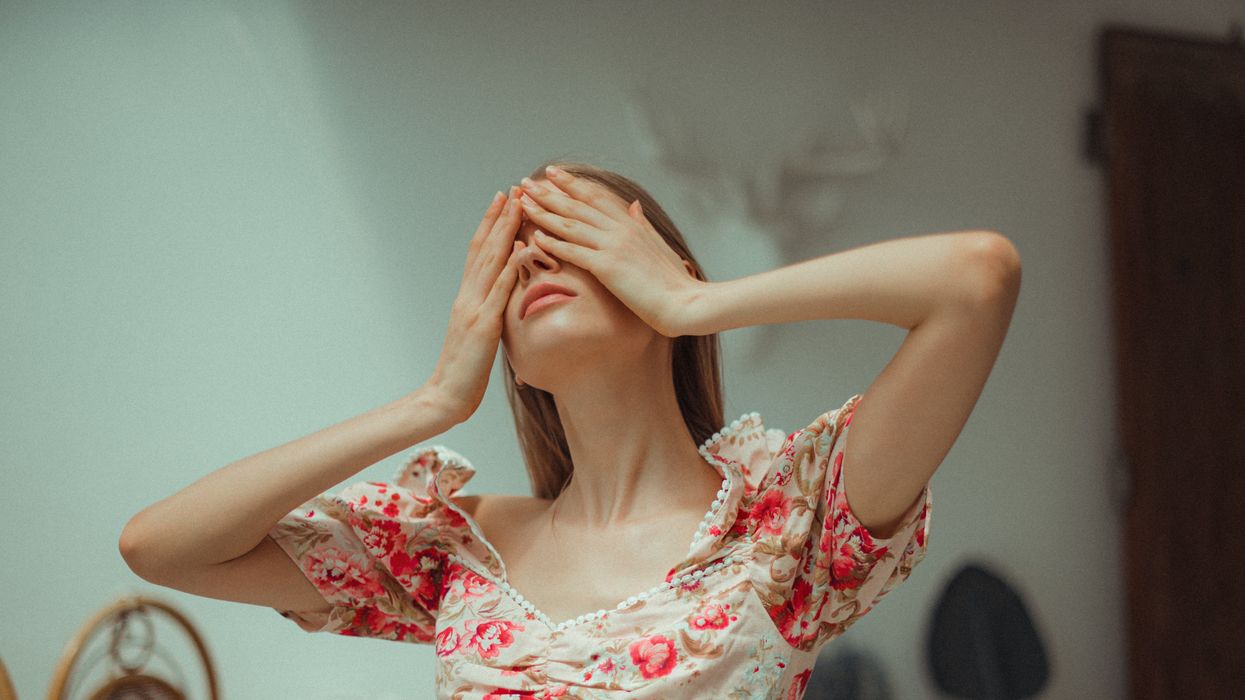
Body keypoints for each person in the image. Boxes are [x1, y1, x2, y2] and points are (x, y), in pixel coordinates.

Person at [119, 160, 1021, 698]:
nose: (538, 259)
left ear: (656, 274)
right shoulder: (453, 547)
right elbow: (161, 548)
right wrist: (431, 402)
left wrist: (696, 303)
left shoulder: (790, 522)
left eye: (575, 236)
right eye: (514, 258)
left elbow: (976, 281)